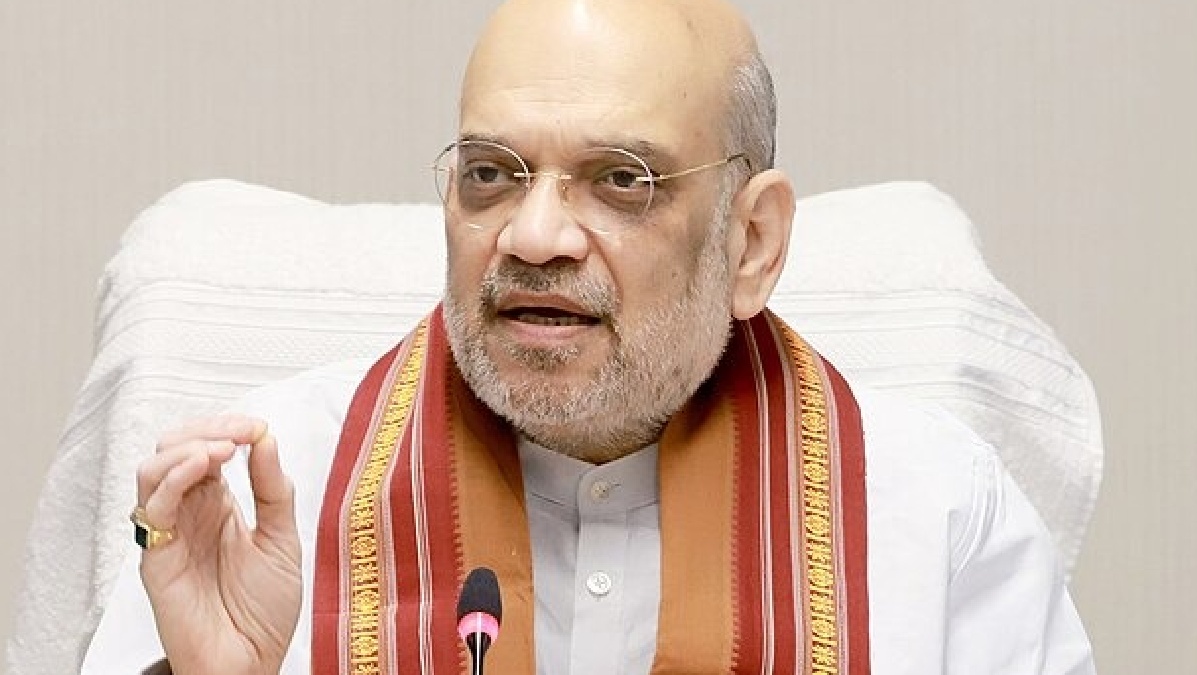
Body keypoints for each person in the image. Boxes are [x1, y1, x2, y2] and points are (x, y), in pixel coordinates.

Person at [82, 0, 1097, 673]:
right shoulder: (260, 496)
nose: (532, 236)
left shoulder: (937, 511)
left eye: (621, 179)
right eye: (491, 173)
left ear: (752, 241)